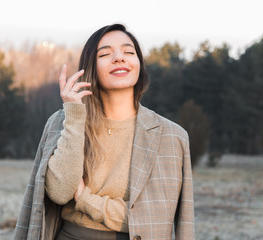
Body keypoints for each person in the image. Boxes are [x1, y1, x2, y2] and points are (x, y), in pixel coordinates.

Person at [13, 24, 195, 240]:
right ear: (91, 67)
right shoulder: (62, 121)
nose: (119, 58)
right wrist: (73, 116)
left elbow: (152, 220)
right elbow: (60, 193)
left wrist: (84, 198)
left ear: (139, 65)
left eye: (129, 52)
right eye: (106, 54)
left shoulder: (170, 136)